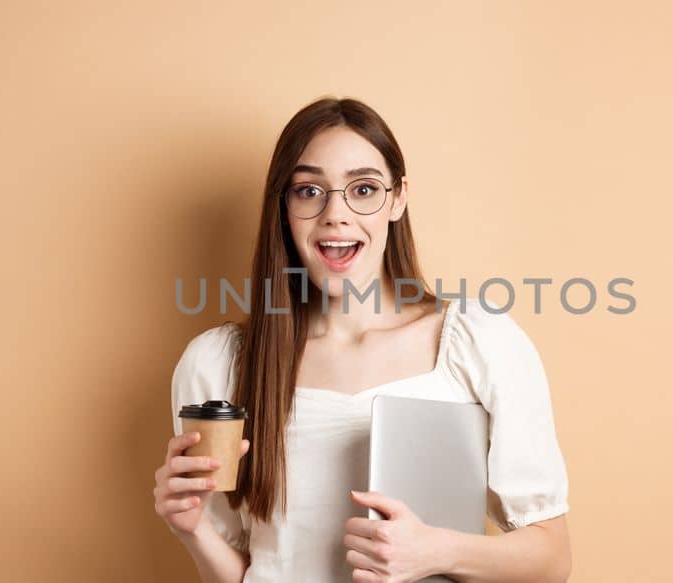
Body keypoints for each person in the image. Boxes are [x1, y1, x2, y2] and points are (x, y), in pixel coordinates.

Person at [152, 97, 571, 583]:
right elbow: (246, 572)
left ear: (398, 198)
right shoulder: (219, 364)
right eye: (309, 191)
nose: (336, 214)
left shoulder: (478, 341)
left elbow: (551, 559)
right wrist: (193, 529)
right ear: (283, 206)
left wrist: (436, 552)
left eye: (364, 189)